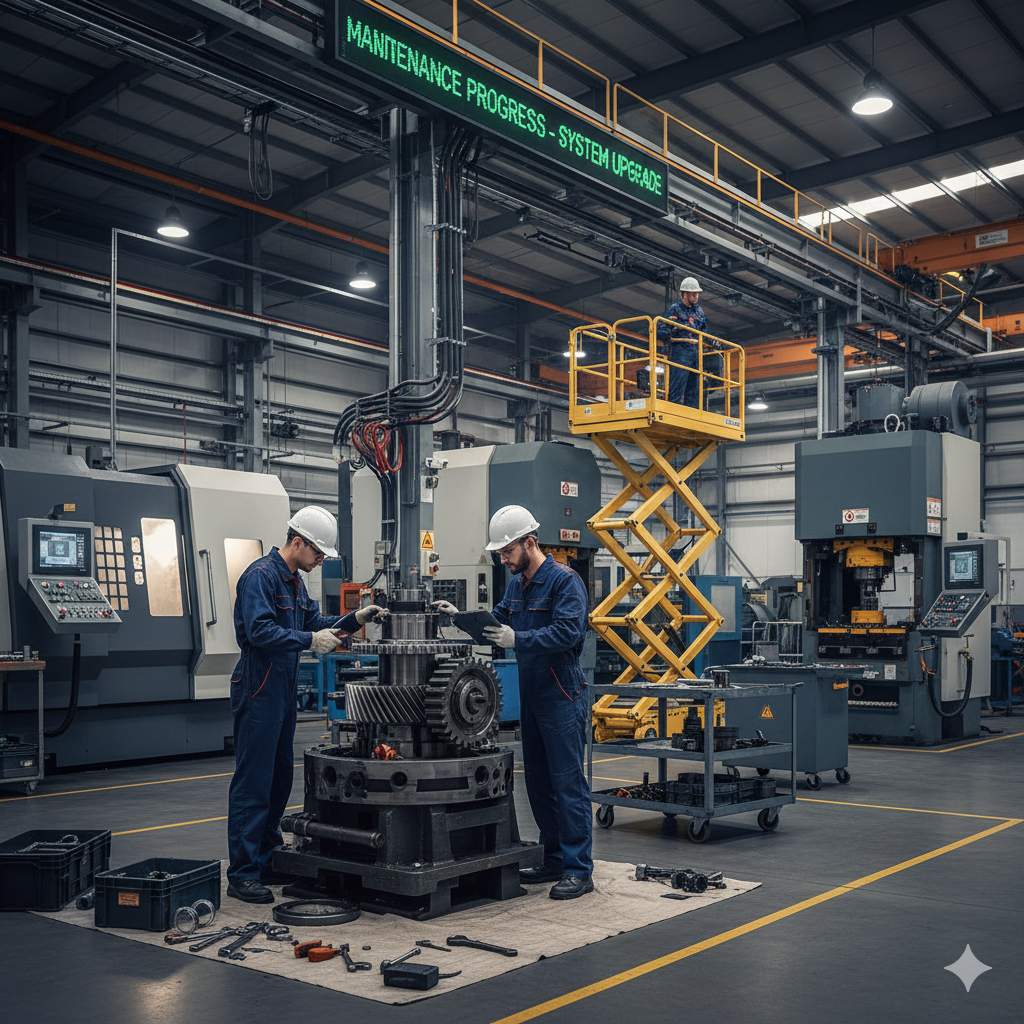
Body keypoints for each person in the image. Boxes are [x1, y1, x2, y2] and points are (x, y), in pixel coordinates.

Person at [226, 505, 387, 904]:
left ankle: (266, 859)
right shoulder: (260, 577)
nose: (320, 560)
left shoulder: (296, 583)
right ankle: (243, 872)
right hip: (258, 683)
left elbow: (316, 622)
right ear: (297, 542)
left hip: (281, 687)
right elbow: (262, 631)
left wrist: (353, 619)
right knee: (253, 783)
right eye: (317, 552)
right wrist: (307, 642)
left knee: (279, 778)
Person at [433, 505, 593, 900]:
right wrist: (462, 618)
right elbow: (495, 623)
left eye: (506, 552)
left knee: (568, 784)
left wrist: (517, 640)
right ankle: (554, 859)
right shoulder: (516, 586)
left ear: (530, 543)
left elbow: (568, 634)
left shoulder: (564, 582)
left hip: (562, 694)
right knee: (539, 785)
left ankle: (579, 869)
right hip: (533, 697)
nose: (502, 560)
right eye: (500, 554)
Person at [656, 276, 708, 408]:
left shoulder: (699, 311)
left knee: (694, 387)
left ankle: (692, 413)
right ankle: (673, 410)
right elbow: (661, 330)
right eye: (693, 294)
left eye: (697, 294)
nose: (696, 297)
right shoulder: (675, 309)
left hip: (695, 352)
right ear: (684, 294)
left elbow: (704, 330)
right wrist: (673, 331)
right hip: (680, 351)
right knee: (678, 385)